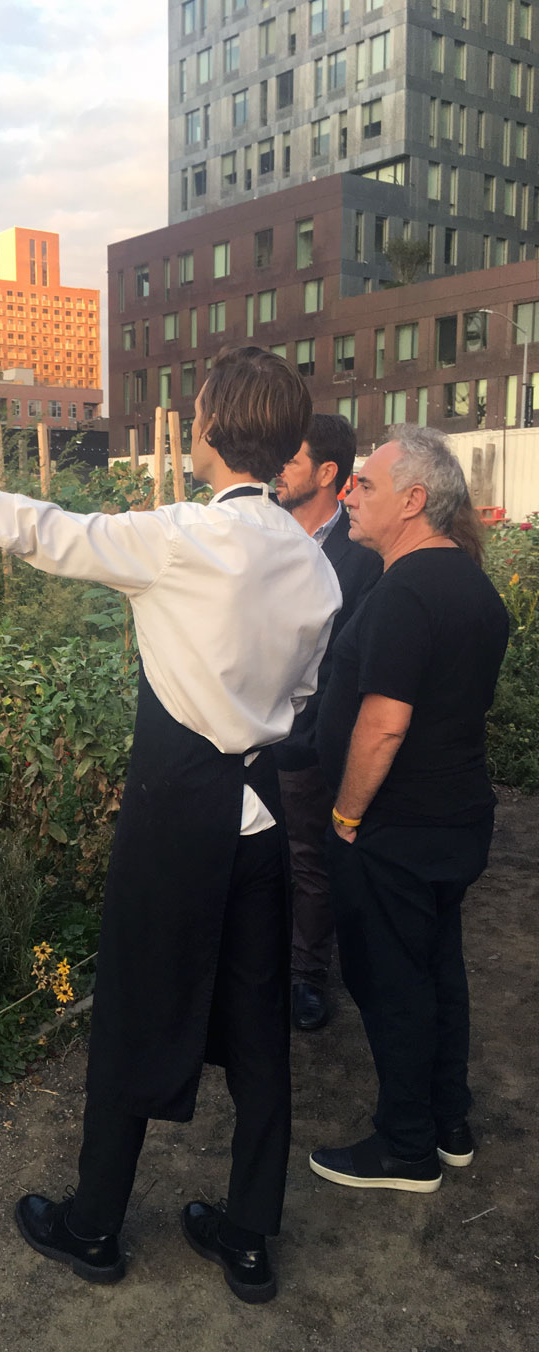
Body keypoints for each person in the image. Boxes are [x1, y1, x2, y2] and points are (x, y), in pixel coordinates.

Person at [0, 347, 340, 1303]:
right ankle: (248, 1239)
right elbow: (301, 698)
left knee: (132, 1011)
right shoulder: (316, 566)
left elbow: (30, 526)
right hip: (257, 822)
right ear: (291, 445)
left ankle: (94, 1227)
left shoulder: (175, 539)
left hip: (176, 816)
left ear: (206, 427)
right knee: (258, 1034)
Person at [311, 426, 509, 1193]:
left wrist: (347, 816)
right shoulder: (472, 587)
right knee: (435, 972)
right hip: (455, 816)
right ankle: (447, 1121)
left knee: (392, 982)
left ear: (414, 500)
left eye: (364, 484)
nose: (350, 495)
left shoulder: (405, 591)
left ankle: (405, 1147)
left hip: (394, 828)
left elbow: (385, 722)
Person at [274, 415, 382, 1032]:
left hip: (310, 740)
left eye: (292, 460)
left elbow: (354, 660)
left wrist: (315, 739)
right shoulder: (264, 537)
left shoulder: (359, 558)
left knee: (308, 859)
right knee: (261, 854)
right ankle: (263, 963)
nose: (278, 470)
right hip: (247, 733)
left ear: (326, 473)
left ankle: (308, 975)